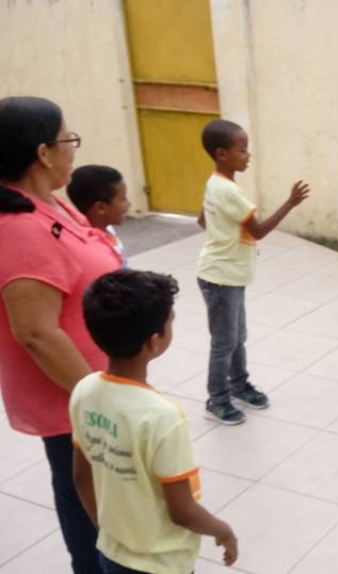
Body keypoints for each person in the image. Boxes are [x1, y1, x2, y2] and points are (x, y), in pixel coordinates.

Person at [0, 96, 118, 574]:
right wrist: (100, 399)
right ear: (43, 153)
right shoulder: (19, 228)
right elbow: (36, 332)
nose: (74, 149)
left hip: (94, 385)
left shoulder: (49, 202)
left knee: (98, 494)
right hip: (74, 398)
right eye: (69, 139)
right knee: (84, 497)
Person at [71, 269, 238, 574]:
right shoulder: (163, 417)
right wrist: (223, 531)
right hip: (162, 565)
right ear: (154, 341)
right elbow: (183, 512)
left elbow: (81, 477)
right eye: (170, 320)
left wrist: (108, 534)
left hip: (112, 553)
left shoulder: (84, 390)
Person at [197, 119, 311, 424]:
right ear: (222, 154)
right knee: (224, 343)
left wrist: (224, 238)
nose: (248, 155)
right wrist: (290, 203)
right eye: (243, 150)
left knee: (237, 337)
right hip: (220, 277)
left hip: (227, 274)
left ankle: (239, 385)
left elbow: (202, 220)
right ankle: (217, 400)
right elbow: (258, 231)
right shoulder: (230, 192)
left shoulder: (215, 183)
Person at [67, 164, 130, 265]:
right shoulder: (91, 250)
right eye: (123, 199)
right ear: (101, 208)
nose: (128, 204)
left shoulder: (109, 229)